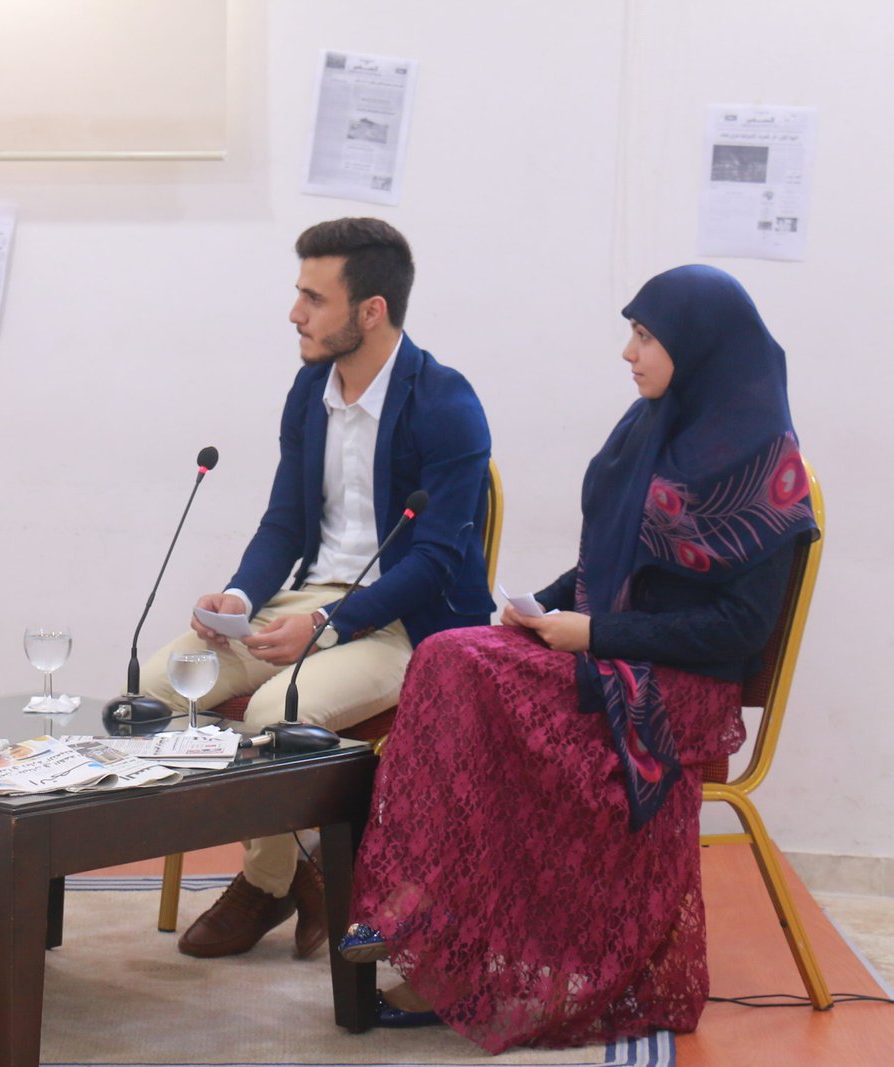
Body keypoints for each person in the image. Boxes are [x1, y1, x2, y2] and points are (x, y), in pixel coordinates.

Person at [339, 265, 817, 1051]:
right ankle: (443, 930)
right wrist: (543, 604)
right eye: (632, 333)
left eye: (646, 336)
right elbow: (610, 562)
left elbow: (736, 629)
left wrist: (594, 634)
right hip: (612, 653)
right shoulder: (650, 427)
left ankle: (439, 933)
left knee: (460, 666)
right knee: (451, 657)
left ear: (702, 348)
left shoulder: (767, 470)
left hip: (677, 688)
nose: (629, 352)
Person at [139, 218, 494, 960]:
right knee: (161, 682)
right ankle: (303, 871)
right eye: (298, 293)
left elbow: (434, 562)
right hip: (309, 602)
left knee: (275, 711)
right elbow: (286, 523)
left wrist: (329, 622)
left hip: (406, 623)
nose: (294, 313)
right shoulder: (310, 391)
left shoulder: (447, 404)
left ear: (371, 310)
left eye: (314, 298)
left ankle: (265, 881)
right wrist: (241, 597)